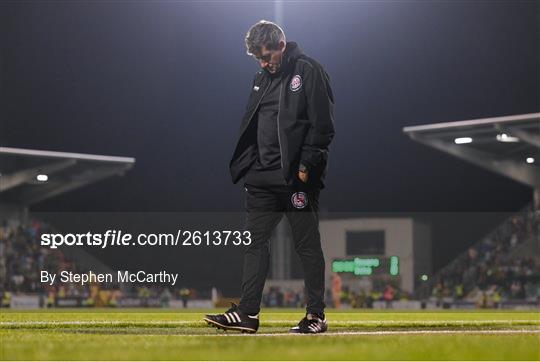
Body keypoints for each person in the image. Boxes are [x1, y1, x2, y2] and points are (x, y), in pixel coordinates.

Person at [204, 20, 335, 334]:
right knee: (253, 244)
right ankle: (248, 314)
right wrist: (249, 166)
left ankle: (316, 316)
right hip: (261, 178)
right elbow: (253, 122)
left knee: (306, 246)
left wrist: (306, 165)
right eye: (258, 59)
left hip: (295, 178)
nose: (263, 64)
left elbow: (322, 126)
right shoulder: (261, 77)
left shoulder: (309, 70)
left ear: (281, 43)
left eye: (266, 56)